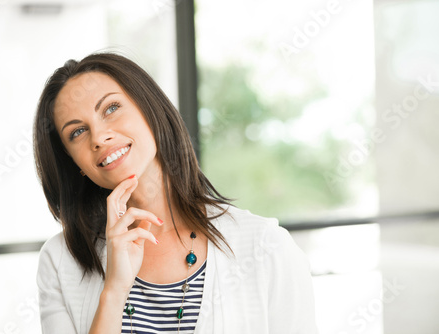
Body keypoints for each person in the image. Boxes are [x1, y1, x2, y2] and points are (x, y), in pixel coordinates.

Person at [34, 52, 318, 334]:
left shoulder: (266, 247)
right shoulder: (60, 261)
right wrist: (114, 291)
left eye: (110, 108)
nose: (99, 137)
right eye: (78, 132)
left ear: (150, 108)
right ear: (74, 163)